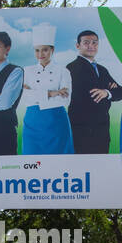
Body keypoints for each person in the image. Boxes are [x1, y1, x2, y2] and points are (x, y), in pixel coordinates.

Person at [66, 30, 122, 154]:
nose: (91, 46)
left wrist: (106, 92)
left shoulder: (102, 70)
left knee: (101, 170)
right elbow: (87, 94)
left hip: (102, 130)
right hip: (81, 131)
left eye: (94, 43)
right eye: (86, 42)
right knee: (81, 170)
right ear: (78, 46)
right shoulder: (71, 68)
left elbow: (120, 92)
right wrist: (108, 88)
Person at [20, 25, 72, 154]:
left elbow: (64, 100)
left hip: (57, 121)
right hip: (32, 121)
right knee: (31, 161)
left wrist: (34, 94)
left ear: (52, 50)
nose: (40, 54)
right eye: (37, 50)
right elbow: (23, 97)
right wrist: (51, 93)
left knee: (60, 161)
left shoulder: (63, 71)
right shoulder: (26, 71)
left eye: (45, 50)